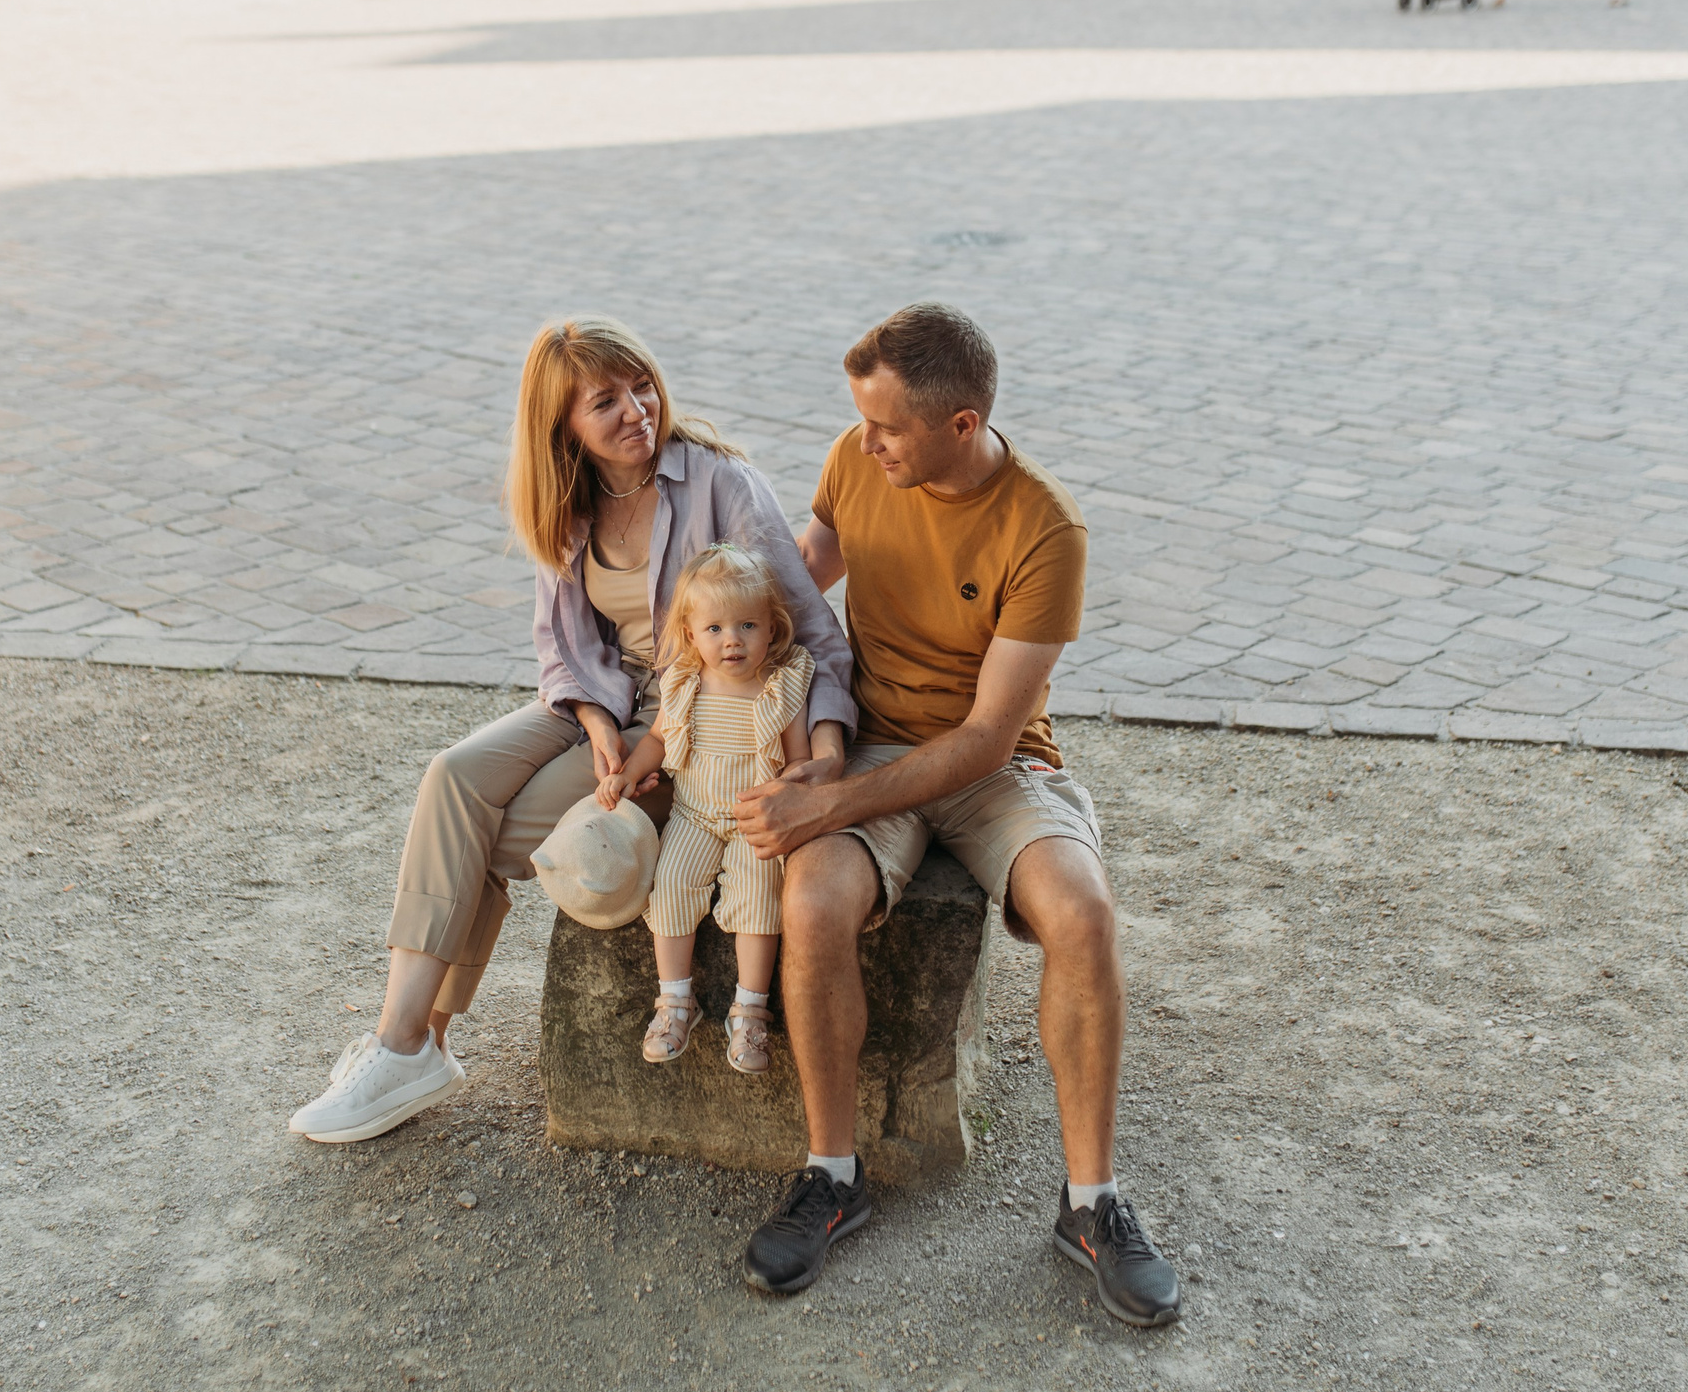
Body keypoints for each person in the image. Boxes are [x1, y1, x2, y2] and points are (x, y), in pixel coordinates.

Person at [287, 318, 856, 1144]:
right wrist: (594, 721)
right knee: (454, 776)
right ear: (564, 428)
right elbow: (562, 645)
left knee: (487, 835)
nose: (636, 409)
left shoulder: (721, 486)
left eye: (641, 385)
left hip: (692, 725)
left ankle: (413, 1043)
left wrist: (828, 752)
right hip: (599, 701)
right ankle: (409, 1041)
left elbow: (810, 628)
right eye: (605, 401)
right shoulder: (570, 502)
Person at [729, 302, 1183, 1328]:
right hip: (873, 738)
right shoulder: (859, 460)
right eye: (862, 420)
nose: (865, 441)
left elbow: (984, 739)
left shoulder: (1044, 527)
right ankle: (832, 1174)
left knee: (1081, 911)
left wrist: (831, 801)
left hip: (993, 758)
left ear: (963, 424)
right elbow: (800, 584)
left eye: (887, 426)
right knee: (810, 901)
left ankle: (1091, 1204)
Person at [597, 545, 813, 1074]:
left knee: (761, 895)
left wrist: (791, 799)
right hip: (694, 814)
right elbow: (656, 740)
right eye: (714, 628)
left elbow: (801, 760)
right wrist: (626, 774)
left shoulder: (781, 687)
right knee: (670, 885)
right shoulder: (685, 685)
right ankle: (675, 1002)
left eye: (746, 625)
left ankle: (750, 1011)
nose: (731, 640)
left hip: (754, 820)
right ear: (691, 635)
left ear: (771, 628)